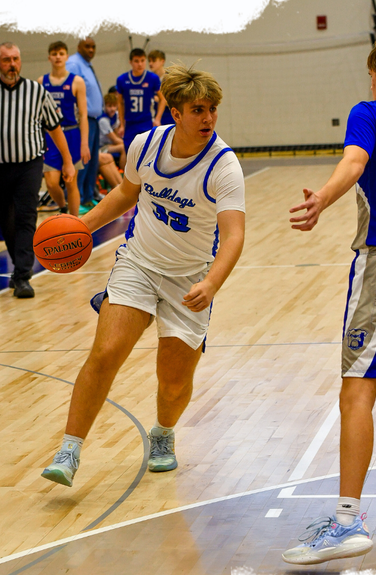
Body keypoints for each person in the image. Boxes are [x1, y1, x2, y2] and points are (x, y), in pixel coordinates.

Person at [41, 64, 246, 488]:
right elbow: (124, 194)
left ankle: (163, 434)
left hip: (190, 279)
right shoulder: (145, 145)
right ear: (175, 112)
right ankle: (69, 448)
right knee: (106, 352)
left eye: (212, 110)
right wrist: (81, 228)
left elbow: (234, 236)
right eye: (198, 110)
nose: (208, 118)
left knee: (172, 382)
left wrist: (211, 284)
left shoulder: (224, 166)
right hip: (138, 263)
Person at [282, 33, 376, 565]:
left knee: (358, 388)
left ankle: (348, 522)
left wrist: (322, 200)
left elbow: (355, 163)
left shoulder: (371, 112)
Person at [0, 42, 75, 299]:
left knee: (25, 217)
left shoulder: (36, 91)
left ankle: (23, 276)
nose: (12, 64)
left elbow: (55, 128)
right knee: (6, 220)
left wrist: (67, 160)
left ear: (20, 62)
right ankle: (18, 268)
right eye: (7, 60)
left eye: (15, 59)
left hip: (29, 165)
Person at [38, 41, 90, 216]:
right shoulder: (41, 82)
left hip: (71, 134)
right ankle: (63, 208)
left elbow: (83, 114)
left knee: (71, 181)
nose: (58, 57)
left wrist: (84, 143)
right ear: (49, 57)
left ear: (67, 56)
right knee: (51, 182)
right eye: (54, 53)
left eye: (61, 53)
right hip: (50, 136)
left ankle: (74, 222)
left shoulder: (77, 81)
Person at [65, 37, 103, 214]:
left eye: (93, 47)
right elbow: (68, 93)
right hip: (81, 121)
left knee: (91, 162)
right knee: (81, 161)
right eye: (87, 46)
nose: (91, 50)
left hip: (94, 119)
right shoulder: (73, 64)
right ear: (79, 46)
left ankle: (87, 198)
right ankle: (76, 199)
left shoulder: (86, 65)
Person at [116, 49, 165, 157]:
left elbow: (163, 99)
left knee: (146, 156)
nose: (140, 64)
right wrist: (121, 124)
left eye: (142, 61)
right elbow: (120, 103)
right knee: (130, 155)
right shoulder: (122, 79)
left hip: (146, 122)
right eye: (136, 61)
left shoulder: (152, 78)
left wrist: (157, 119)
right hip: (130, 123)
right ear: (130, 62)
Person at [96, 93, 123, 189]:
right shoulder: (103, 120)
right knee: (124, 147)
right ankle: (120, 186)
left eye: (114, 106)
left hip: (108, 146)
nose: (112, 109)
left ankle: (122, 185)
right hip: (100, 147)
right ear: (104, 106)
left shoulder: (115, 116)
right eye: (109, 106)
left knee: (124, 146)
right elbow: (115, 139)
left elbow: (116, 134)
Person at [147, 50, 175, 126]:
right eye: (149, 61)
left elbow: (176, 102)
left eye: (154, 61)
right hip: (154, 117)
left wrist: (159, 99)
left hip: (170, 117)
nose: (150, 63)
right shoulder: (149, 79)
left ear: (162, 61)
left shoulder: (171, 79)